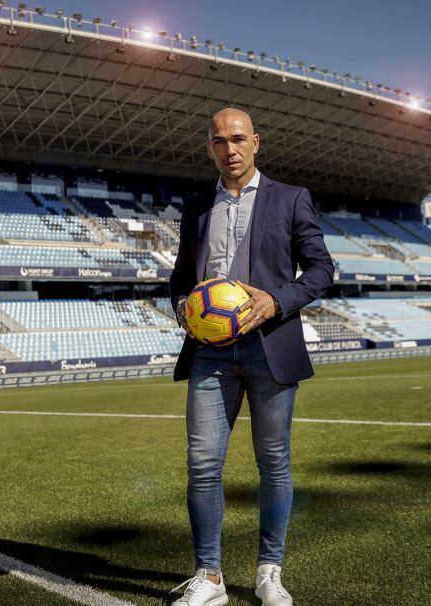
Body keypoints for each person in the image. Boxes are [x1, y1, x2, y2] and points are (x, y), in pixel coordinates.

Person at [166, 108, 334, 606]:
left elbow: (322, 269)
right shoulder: (197, 206)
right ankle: (210, 577)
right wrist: (183, 306)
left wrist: (277, 300)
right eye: (219, 141)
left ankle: (268, 572)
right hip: (209, 352)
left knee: (275, 463)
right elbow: (179, 275)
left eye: (238, 139)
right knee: (202, 464)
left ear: (256, 142)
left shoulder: (291, 198)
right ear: (209, 148)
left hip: (270, 347)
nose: (230, 149)